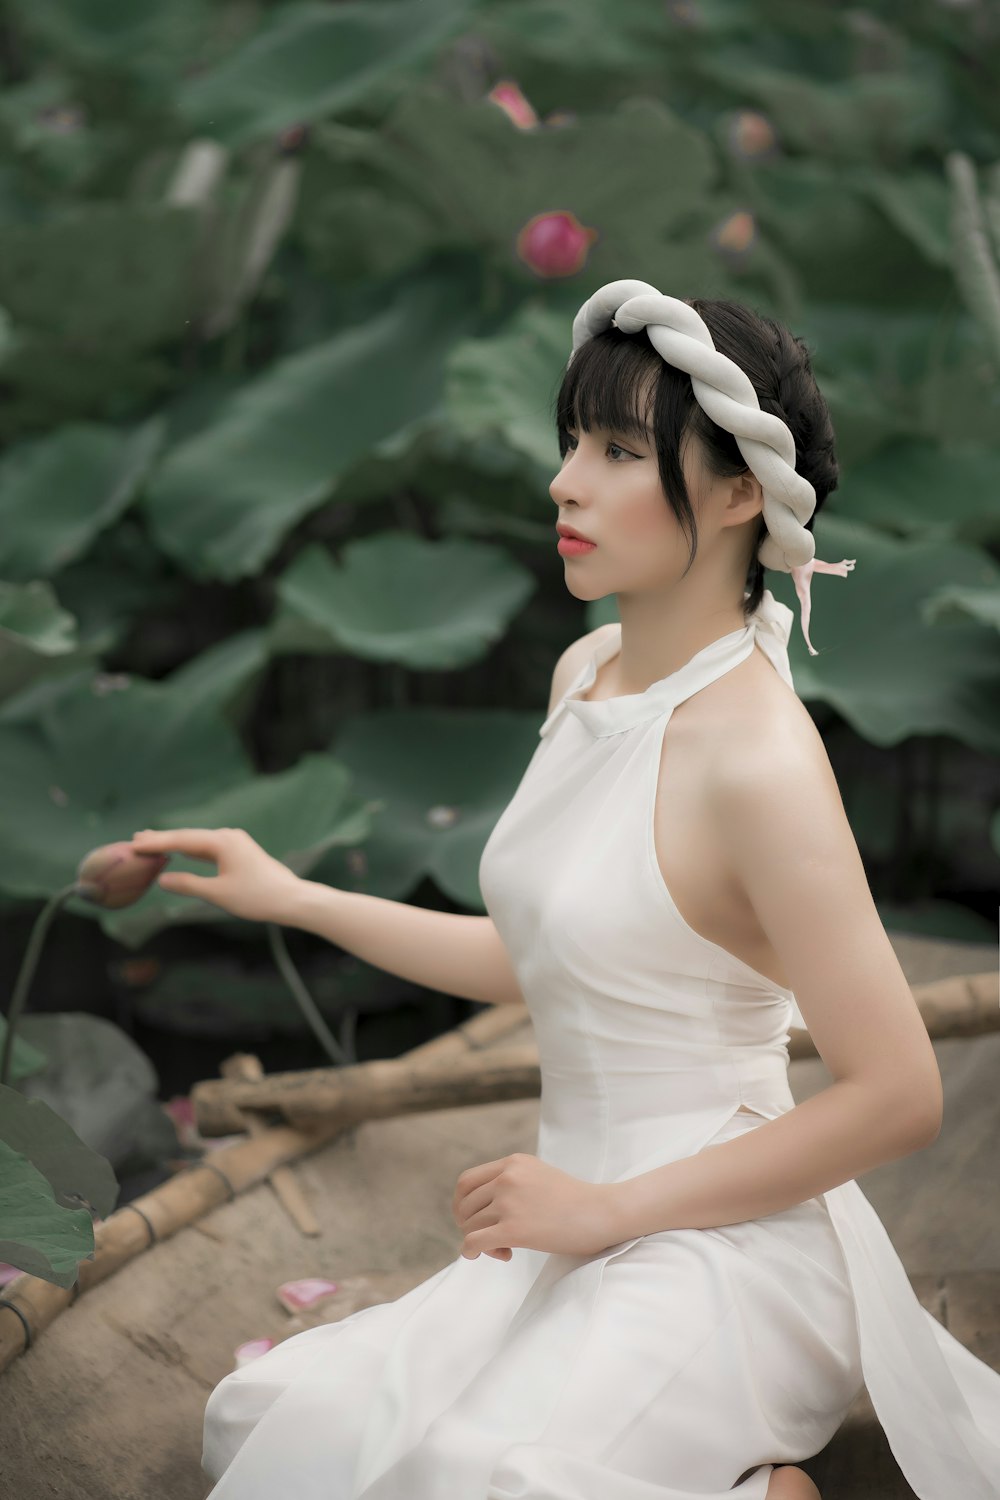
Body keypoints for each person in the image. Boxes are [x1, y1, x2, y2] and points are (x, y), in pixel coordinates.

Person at [131, 282, 1000, 1499]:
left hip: (724, 1245)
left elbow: (900, 1094)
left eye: (620, 452)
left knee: (501, 1486)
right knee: (275, 1428)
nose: (566, 484)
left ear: (743, 492)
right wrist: (294, 897)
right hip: (560, 1224)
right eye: (571, 445)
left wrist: (609, 1211)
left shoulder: (758, 761)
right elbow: (538, 955)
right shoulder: (586, 669)